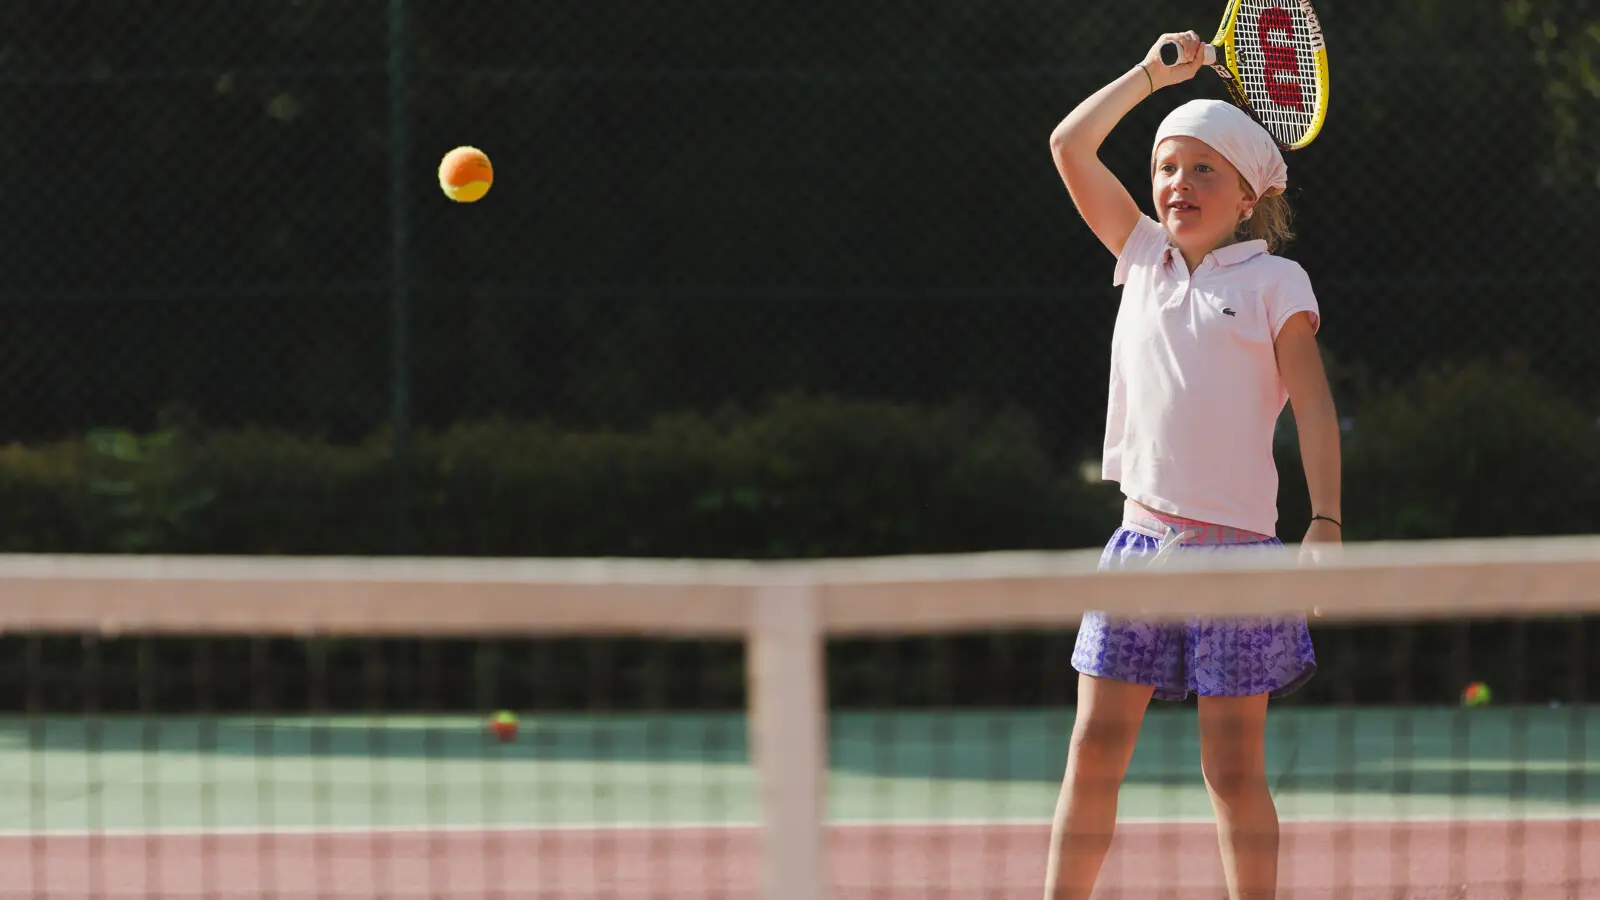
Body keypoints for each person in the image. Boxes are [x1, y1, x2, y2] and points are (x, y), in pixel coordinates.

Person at [1041, 30, 1344, 900]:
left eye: (1203, 169)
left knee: (1231, 772)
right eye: (1167, 168)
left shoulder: (1276, 284)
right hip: (1139, 547)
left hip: (1238, 564)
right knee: (1093, 755)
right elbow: (1068, 146)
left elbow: (1314, 406)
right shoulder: (1140, 255)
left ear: (1250, 195)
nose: (1178, 185)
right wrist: (1151, 74)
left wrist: (1324, 524)